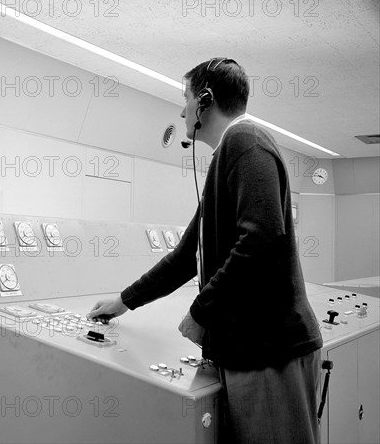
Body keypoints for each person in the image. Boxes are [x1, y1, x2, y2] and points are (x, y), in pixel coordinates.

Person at [87, 58, 323, 443]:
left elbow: (261, 240)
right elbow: (185, 257)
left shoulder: (246, 142)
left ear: (206, 100)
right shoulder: (226, 157)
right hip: (250, 353)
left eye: (186, 98)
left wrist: (200, 311)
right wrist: (122, 302)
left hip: (270, 353)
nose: (182, 110)